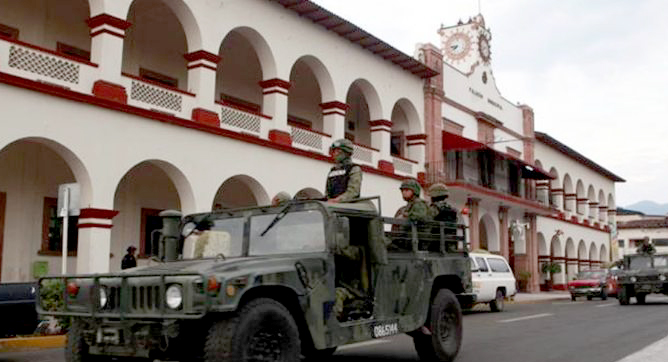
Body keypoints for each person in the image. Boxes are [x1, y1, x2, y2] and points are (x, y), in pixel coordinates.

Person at [325, 139, 362, 203]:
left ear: (346, 153)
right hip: (331, 206)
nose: (334, 154)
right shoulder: (332, 170)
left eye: (337, 151)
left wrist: (338, 200)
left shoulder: (354, 169)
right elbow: (327, 192)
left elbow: (353, 192)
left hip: (347, 207)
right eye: (333, 151)